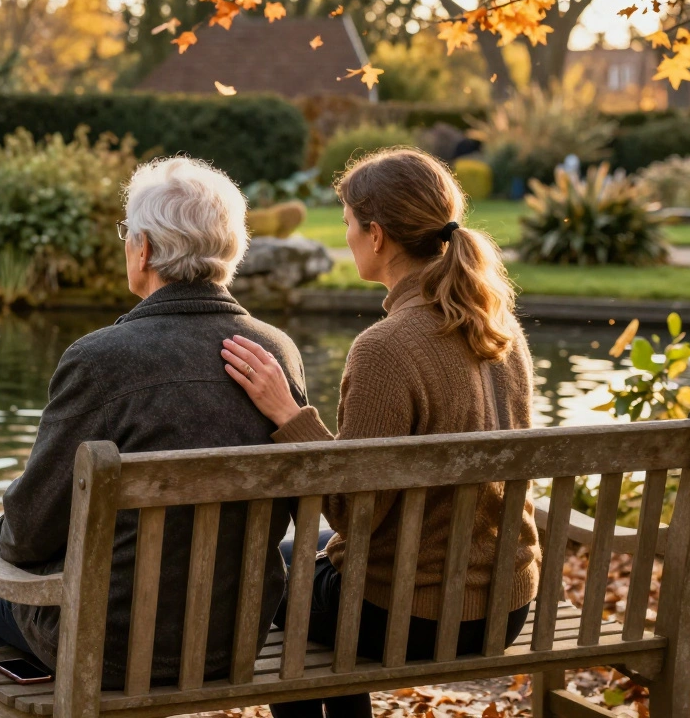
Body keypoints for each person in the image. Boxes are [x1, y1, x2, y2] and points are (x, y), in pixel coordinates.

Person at [0, 156, 309, 717]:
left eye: (128, 235)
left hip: (111, 649)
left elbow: (28, 530)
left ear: (143, 250)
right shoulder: (276, 351)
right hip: (233, 642)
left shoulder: (100, 360)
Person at [219, 147, 541, 718]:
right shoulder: (501, 330)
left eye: (348, 222)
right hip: (505, 605)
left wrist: (289, 415)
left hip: (416, 615)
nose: (345, 236)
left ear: (376, 235)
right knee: (291, 558)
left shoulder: (386, 349)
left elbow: (353, 512)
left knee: (262, 576)